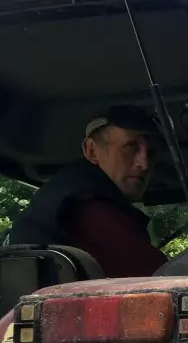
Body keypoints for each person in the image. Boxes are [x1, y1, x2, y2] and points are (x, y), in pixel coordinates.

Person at [8, 105, 168, 277]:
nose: (144, 164)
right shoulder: (88, 206)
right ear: (91, 151)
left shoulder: (66, 193)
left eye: (150, 153)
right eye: (130, 147)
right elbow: (160, 278)